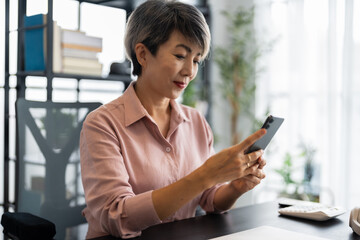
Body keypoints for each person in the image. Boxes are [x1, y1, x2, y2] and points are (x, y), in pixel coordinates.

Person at [80, 0, 267, 239]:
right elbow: (116, 217)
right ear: (143, 54)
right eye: (180, 55)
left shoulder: (196, 121)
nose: (190, 70)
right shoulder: (101, 124)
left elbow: (209, 198)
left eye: (197, 60)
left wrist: (235, 188)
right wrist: (205, 175)